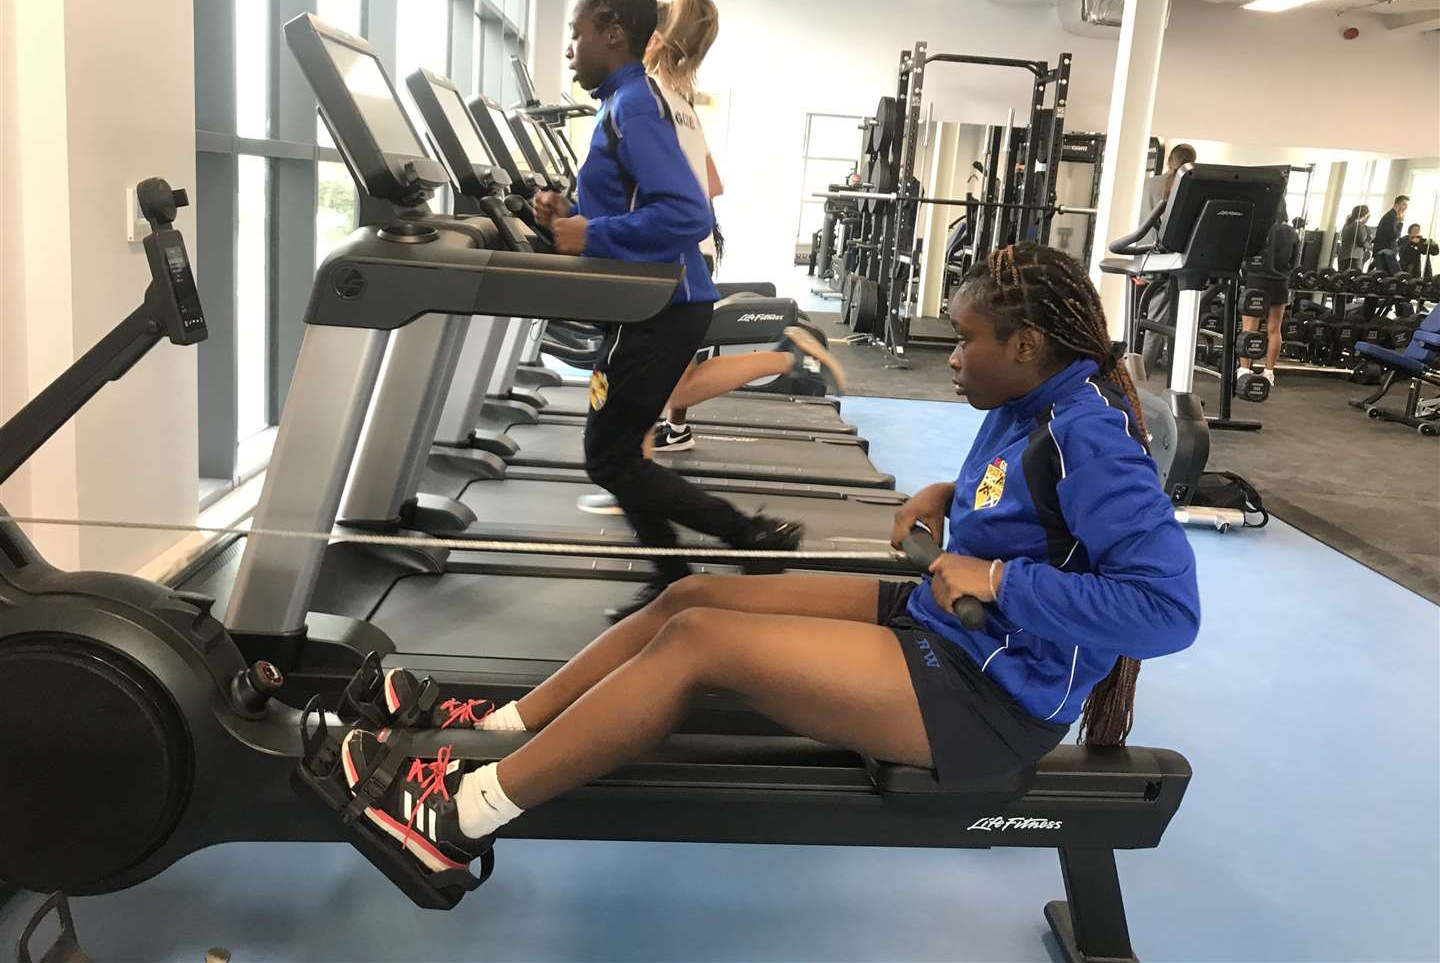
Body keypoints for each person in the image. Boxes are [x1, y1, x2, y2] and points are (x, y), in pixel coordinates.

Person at [334, 245, 1202, 879]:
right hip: (952, 629)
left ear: (1025, 345)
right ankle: (497, 732)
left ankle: (456, 824)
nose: (951, 356)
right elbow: (1037, 503)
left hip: (989, 695)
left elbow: (1167, 612)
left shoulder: (1089, 436)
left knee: (702, 643)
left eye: (965, 340)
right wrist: (953, 492)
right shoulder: (1033, 403)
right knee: (696, 597)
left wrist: (999, 578)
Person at [533, 0, 802, 619]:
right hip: (649, 304)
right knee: (613, 451)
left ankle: (747, 535)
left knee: (610, 455)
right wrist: (567, 212)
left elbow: (687, 214)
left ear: (613, 33)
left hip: (656, 306)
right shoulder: (639, 100)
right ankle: (675, 572)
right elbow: (636, 196)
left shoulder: (635, 105)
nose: (570, 49)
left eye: (577, 35)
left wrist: (590, 233)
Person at [643, 0, 846, 452]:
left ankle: (784, 356)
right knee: (676, 366)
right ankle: (675, 428)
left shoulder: (648, 100)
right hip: (698, 246)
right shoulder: (682, 101)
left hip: (673, 252)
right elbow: (713, 182)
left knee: (662, 379)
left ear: (653, 38)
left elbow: (699, 184)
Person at [1238, 204, 1299, 384]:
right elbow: (1294, 263)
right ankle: (1269, 372)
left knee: (1249, 329)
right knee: (1274, 329)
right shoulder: (1292, 233)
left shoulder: (1259, 230)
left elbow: (1246, 256)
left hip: (1257, 281)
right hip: (1280, 283)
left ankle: (1244, 370)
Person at [1338, 205, 1372, 270]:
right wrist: (1371, 247)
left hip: (1343, 255)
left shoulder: (1346, 224)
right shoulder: (1358, 226)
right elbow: (1361, 242)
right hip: (1354, 257)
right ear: (1365, 215)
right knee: (1355, 277)